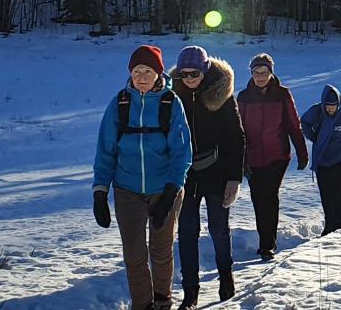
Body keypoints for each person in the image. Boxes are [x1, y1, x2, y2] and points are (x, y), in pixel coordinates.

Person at [93, 45, 193, 310]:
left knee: (161, 250)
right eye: (136, 71)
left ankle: (162, 300)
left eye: (147, 71)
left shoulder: (171, 103)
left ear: (158, 73)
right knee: (134, 254)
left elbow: (182, 152)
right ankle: (143, 305)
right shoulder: (120, 103)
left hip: (165, 188)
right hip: (127, 189)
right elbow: (105, 150)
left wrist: (172, 191)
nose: (141, 76)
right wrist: (100, 192)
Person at [170, 46, 244, 307]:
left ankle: (226, 276)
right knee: (187, 233)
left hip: (217, 172)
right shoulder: (172, 96)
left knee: (218, 229)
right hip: (185, 176)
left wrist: (234, 178)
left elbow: (236, 137)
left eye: (194, 74)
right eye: (184, 74)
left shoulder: (221, 94)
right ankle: (190, 290)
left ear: (205, 70)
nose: (189, 79)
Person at [236, 52, 307, 261]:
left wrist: (302, 152)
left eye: (263, 72)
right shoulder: (244, 97)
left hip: (278, 155)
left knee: (270, 195)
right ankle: (264, 240)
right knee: (258, 198)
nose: (260, 76)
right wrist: (240, 159)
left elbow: (294, 124)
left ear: (270, 72)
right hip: (253, 157)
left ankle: (268, 244)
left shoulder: (282, 94)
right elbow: (238, 130)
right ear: (251, 73)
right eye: (256, 72)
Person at [300, 84, 341, 235]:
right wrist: (313, 136)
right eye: (328, 106)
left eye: (333, 105)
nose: (331, 109)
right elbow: (303, 122)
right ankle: (330, 223)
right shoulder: (317, 111)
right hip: (322, 159)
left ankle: (338, 223)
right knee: (325, 193)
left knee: (337, 190)